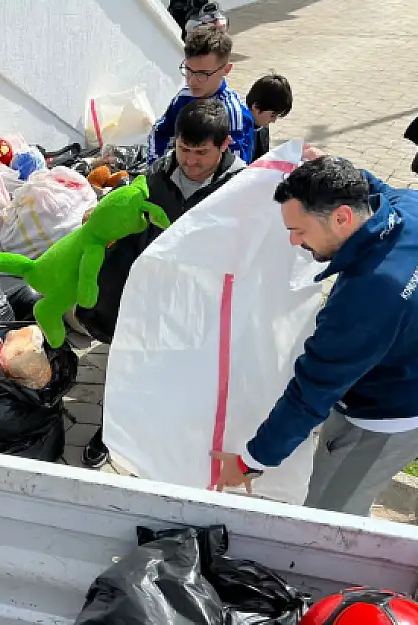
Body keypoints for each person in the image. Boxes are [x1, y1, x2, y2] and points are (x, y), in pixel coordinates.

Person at [212, 155, 418, 516]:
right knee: (349, 499)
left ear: (342, 217)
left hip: (383, 420)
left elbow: (310, 395)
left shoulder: (368, 298)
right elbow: (376, 189)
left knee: (328, 520)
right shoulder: (417, 211)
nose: (295, 242)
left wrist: (251, 461)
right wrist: (329, 167)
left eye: (300, 230)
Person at [78, 99, 247, 468]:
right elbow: (127, 209)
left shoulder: (241, 188)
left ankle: (170, 437)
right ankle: (110, 430)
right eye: (184, 149)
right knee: (129, 360)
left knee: (182, 372)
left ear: (224, 145)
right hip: (148, 290)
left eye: (201, 153)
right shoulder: (158, 171)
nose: (190, 161)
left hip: (200, 300)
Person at [148, 24, 254, 167]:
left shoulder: (234, 114)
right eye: (188, 70)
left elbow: (236, 170)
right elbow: (159, 132)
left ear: (226, 70)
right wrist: (155, 169)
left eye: (202, 74)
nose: (191, 81)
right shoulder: (184, 97)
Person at [246, 74, 293, 161]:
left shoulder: (262, 128)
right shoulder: (236, 129)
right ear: (256, 106)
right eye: (272, 115)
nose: (274, 120)